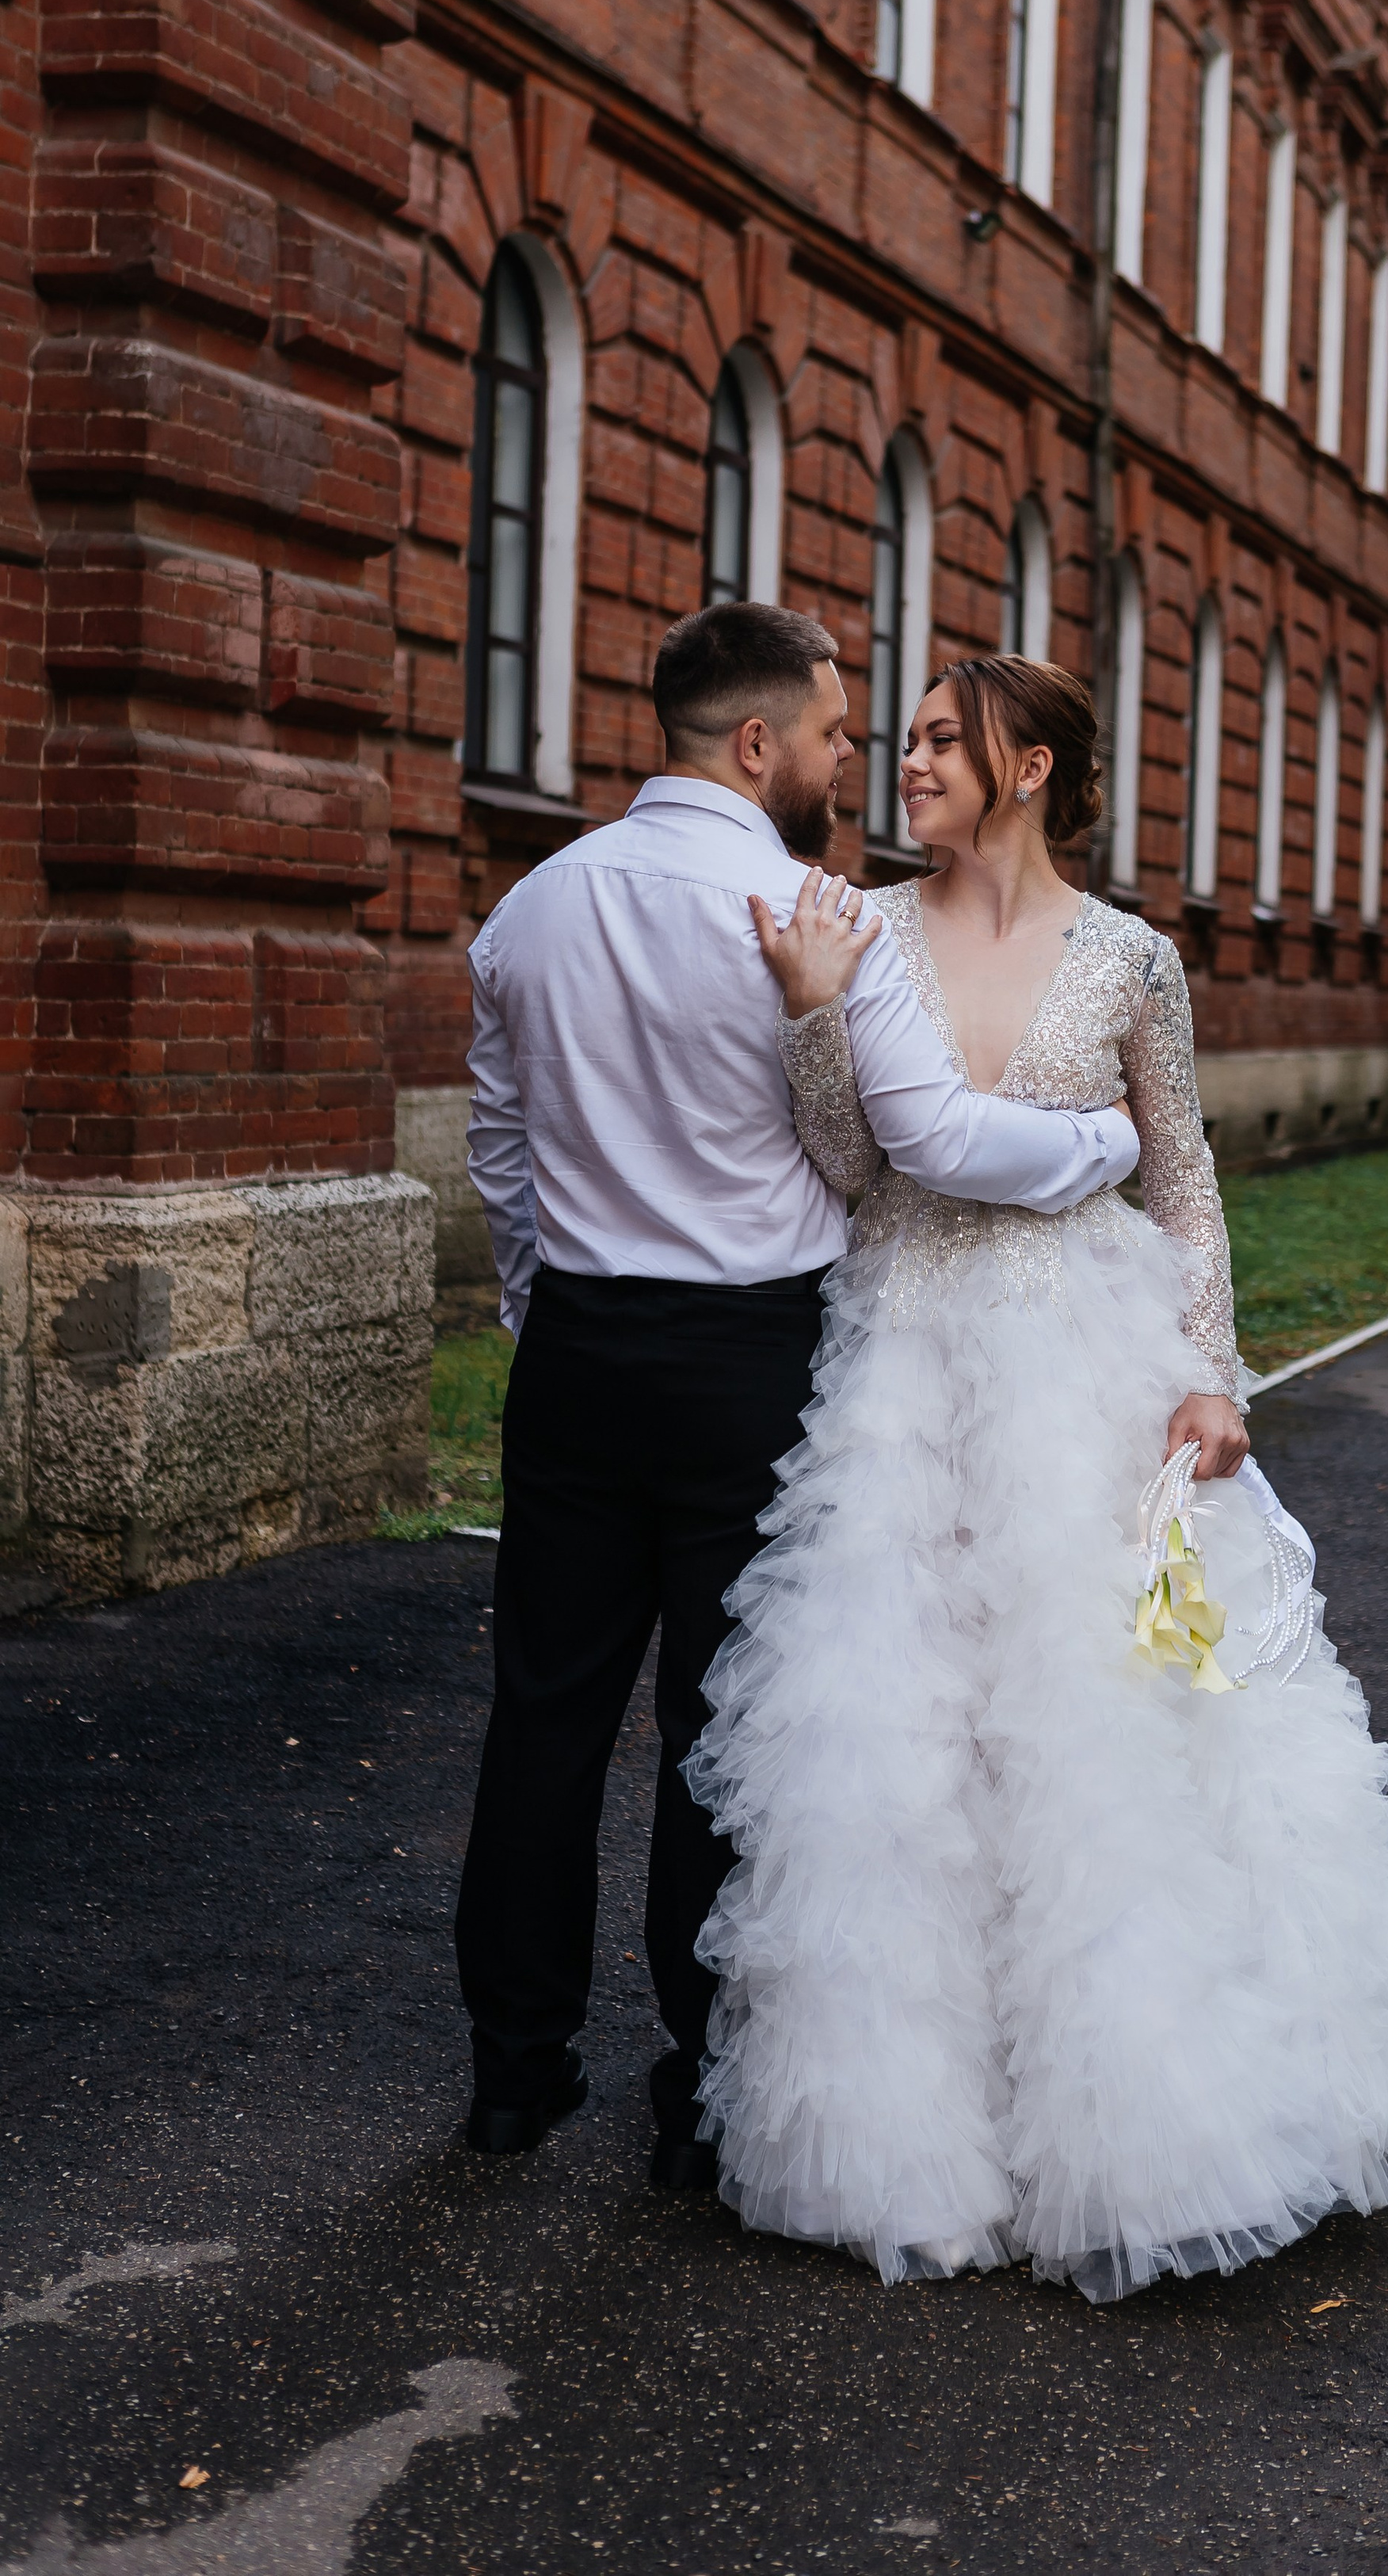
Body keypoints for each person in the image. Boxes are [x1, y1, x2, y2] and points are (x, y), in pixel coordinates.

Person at [689, 653, 1388, 2302]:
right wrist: (816, 1015)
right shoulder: (857, 923)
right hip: (897, 1375)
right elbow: (843, 1165)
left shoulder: (1131, 961)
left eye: (942, 742)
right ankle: (911, 2149)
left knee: (1096, 1737)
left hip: (1085, 1374)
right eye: (899, 739)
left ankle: (1136, 2127)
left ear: (1029, 769)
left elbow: (1182, 1188)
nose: (906, 764)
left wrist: (1208, 1378)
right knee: (902, 1757)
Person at [456, 605, 1146, 2182]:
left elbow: (501, 1152)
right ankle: (702, 2097)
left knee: (543, 1719)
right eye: (839, 736)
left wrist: (536, 1306)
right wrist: (1107, 1144)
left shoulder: (528, 911)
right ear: (756, 745)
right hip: (746, 1361)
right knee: (729, 1726)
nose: (857, 762)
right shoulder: (809, 915)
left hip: (574, 1353)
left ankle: (513, 2073)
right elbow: (941, 1145)